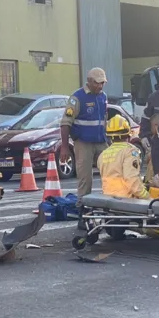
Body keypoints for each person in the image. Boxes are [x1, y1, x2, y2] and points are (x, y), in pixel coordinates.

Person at [60, 68, 109, 229]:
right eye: (97, 83)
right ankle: (83, 211)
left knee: (111, 173)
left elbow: (104, 121)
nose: (100, 86)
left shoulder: (103, 97)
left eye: (102, 83)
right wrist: (65, 148)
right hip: (83, 143)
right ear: (89, 81)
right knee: (85, 178)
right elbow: (65, 123)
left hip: (101, 142)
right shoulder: (77, 98)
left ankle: (111, 206)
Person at [97, 115, 150, 200]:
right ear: (128, 134)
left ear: (110, 137)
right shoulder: (130, 152)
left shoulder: (102, 155)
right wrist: (147, 197)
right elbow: (132, 181)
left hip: (107, 201)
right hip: (126, 201)